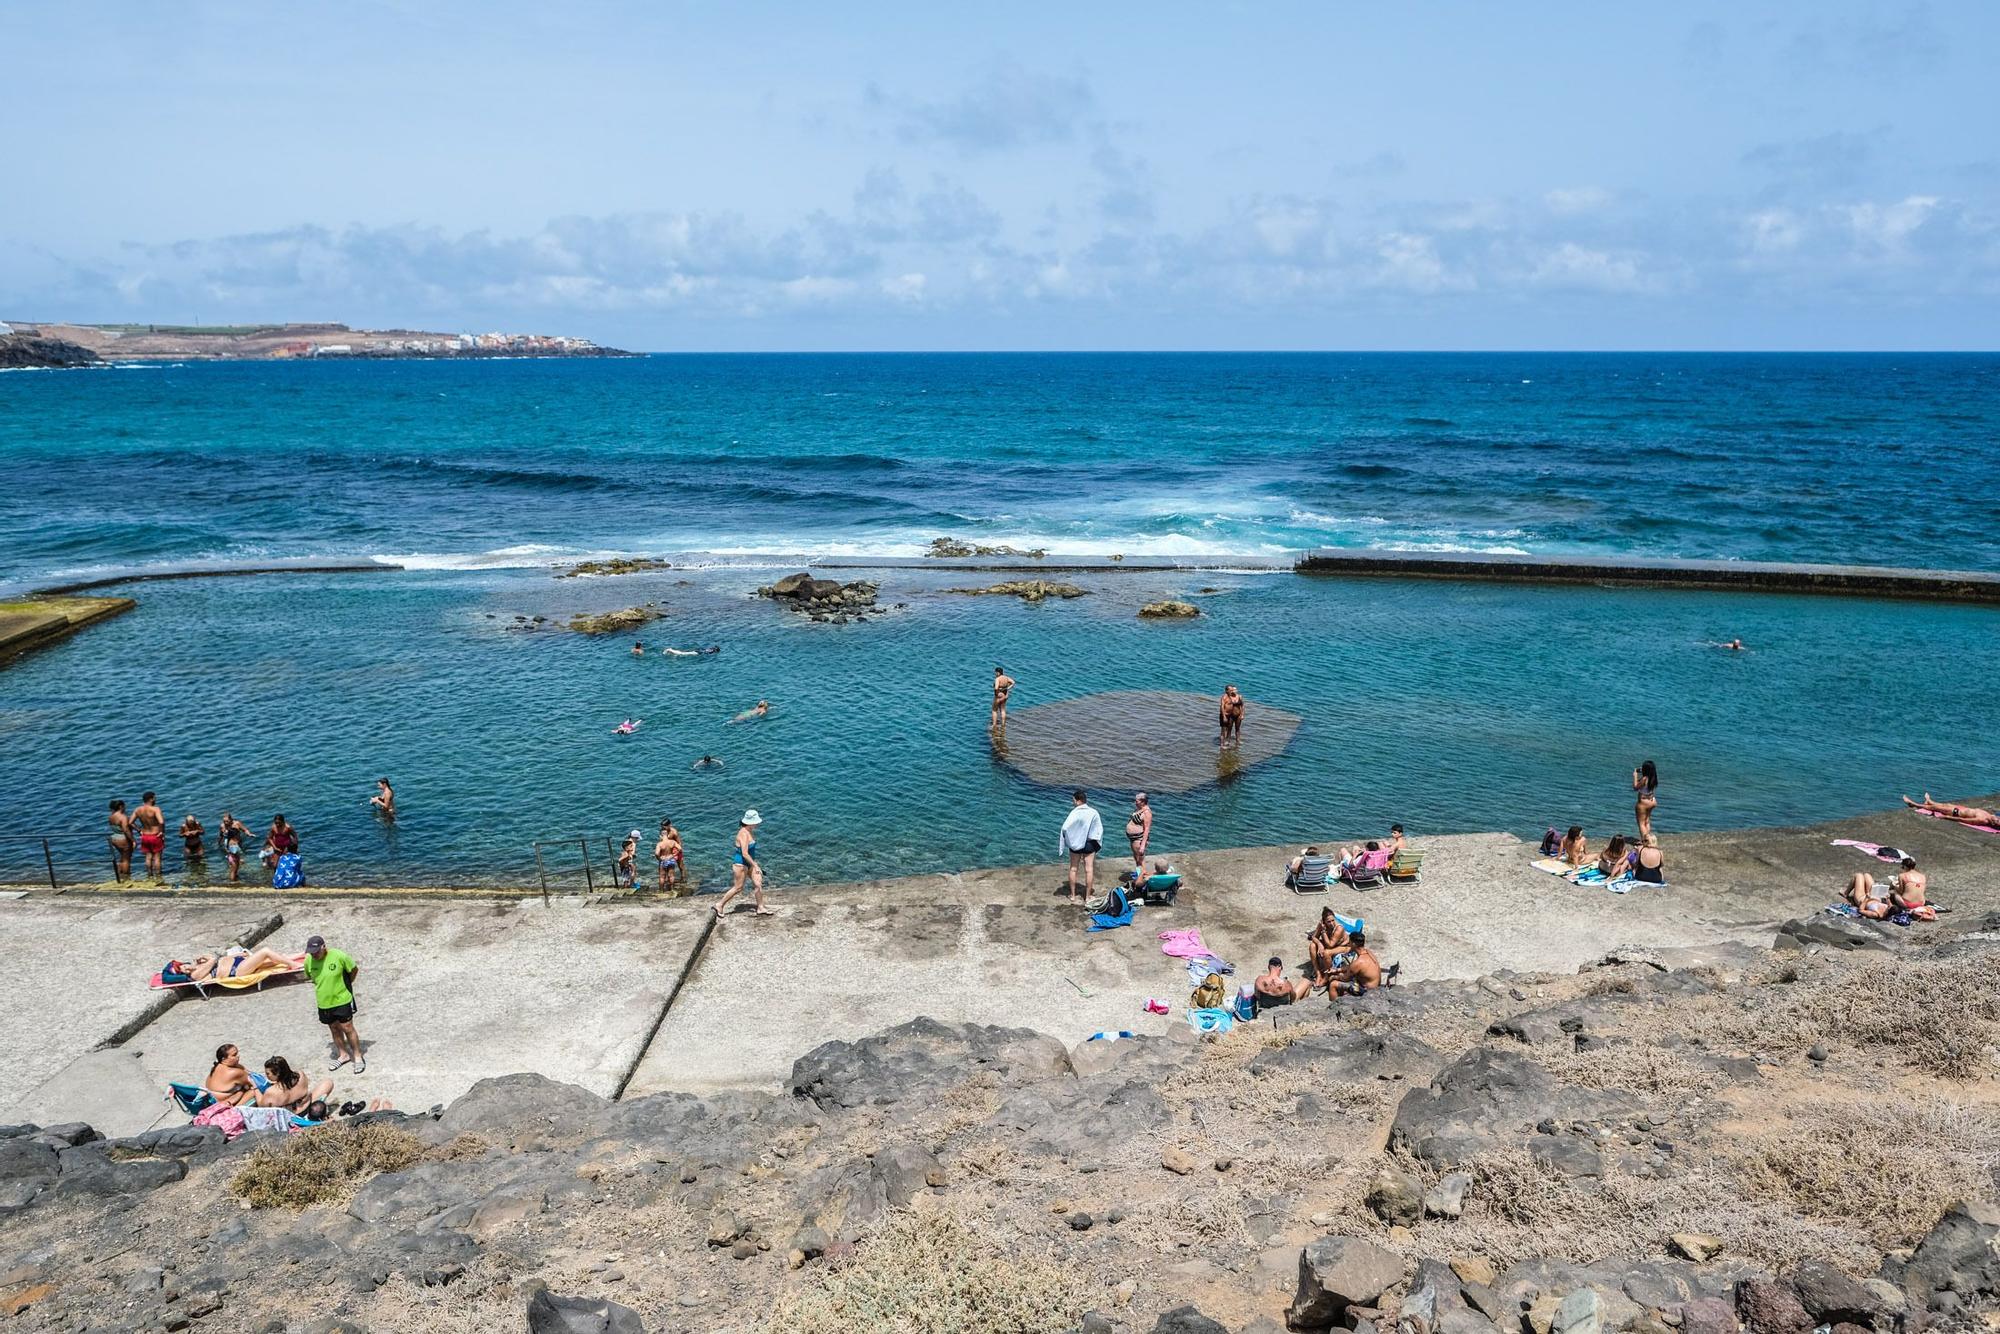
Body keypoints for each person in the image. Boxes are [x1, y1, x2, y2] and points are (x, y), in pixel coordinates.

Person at [303, 934, 364, 1074]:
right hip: (324, 1002)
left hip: (342, 999)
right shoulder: (309, 961)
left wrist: (346, 985)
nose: (314, 955)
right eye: (311, 953)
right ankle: (343, 1055)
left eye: (317, 951)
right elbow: (309, 976)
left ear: (324, 947)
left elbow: (353, 970)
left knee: (348, 1027)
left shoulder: (338, 955)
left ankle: (358, 1056)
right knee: (334, 1028)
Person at [715, 810, 771, 918]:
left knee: (758, 883)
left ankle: (760, 907)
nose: (758, 823)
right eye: (756, 821)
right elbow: (745, 853)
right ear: (750, 822)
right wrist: (755, 865)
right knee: (738, 888)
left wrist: (754, 864)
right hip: (740, 864)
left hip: (750, 863)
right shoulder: (743, 834)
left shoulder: (750, 831)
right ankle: (719, 905)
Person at [1059, 789, 1103, 905]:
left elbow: (1065, 828)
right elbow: (1099, 830)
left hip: (1076, 844)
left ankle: (1073, 896)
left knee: (1073, 868)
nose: (1073, 802)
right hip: (1089, 844)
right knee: (1089, 869)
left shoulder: (1074, 812)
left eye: (1073, 800)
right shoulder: (1094, 812)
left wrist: (1069, 839)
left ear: (1077, 800)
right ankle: (1088, 897)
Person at [1845, 857, 1927, 919]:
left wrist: (1866, 898)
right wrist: (1887, 899)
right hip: (1875, 897)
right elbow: (1890, 904)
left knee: (1859, 876)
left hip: (1862, 899)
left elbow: (1861, 910)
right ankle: (1852, 891)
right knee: (1867, 875)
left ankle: (1845, 893)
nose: (1889, 906)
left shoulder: (1877, 914)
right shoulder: (1888, 907)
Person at [258, 1055, 333, 1112]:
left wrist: (255, 1089)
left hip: (291, 1116)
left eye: (268, 1073)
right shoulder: (301, 1075)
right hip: (307, 1107)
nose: (266, 1075)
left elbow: (262, 1109)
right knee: (328, 1083)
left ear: (277, 1073)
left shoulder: (271, 1091)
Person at [181, 947, 298, 982]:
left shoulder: (198, 966)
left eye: (185, 965)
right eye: (184, 970)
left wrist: (236, 955)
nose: (187, 968)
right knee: (265, 952)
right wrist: (203, 958)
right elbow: (213, 959)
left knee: (273, 959)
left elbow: (221, 959)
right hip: (236, 971)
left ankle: (302, 955)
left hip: (238, 962)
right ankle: (293, 964)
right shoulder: (195, 975)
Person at [1306, 908, 1353, 989]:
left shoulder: (1339, 928)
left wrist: (1323, 932)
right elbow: (1314, 937)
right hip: (1330, 944)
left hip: (1343, 946)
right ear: (1324, 922)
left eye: (1333, 920)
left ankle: (1327, 976)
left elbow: (1330, 945)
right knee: (1312, 946)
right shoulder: (1322, 924)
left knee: (1327, 952)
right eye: (1329, 921)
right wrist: (1319, 944)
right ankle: (1318, 973)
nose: (1331, 923)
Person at [1903, 793, 1999, 827]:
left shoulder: (1983, 820)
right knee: (1946, 804)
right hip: (1962, 809)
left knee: (1935, 808)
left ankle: (1913, 804)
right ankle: (1930, 800)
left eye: (1997, 820)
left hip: (1957, 813)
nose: (1997, 817)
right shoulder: (1989, 815)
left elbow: (1963, 820)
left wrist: (1947, 817)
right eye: (1999, 818)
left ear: (1993, 822)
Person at [133, 791, 167, 880]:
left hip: (145, 836)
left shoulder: (138, 809)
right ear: (151, 799)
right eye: (154, 798)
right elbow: (161, 822)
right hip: (155, 836)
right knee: (157, 858)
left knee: (148, 857)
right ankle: (159, 877)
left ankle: (149, 875)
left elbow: (130, 822)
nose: (155, 799)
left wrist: (139, 830)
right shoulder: (155, 809)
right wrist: (162, 832)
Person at [218, 812, 251, 883]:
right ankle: (233, 879)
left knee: (235, 862)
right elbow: (221, 835)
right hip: (231, 845)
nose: (225, 823)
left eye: (227, 821)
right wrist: (219, 843)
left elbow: (245, 829)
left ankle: (234, 874)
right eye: (224, 821)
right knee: (236, 863)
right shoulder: (222, 826)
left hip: (237, 844)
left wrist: (249, 834)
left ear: (231, 819)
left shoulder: (237, 823)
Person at [1632, 761, 1659, 846]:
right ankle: (1648, 839)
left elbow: (1635, 787)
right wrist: (1641, 770)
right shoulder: (1653, 777)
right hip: (1652, 801)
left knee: (1641, 823)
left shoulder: (1644, 779)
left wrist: (1635, 776)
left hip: (1643, 802)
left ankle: (1645, 842)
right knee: (1647, 821)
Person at [106, 799, 133, 882]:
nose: (125, 808)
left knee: (122, 857)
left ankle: (119, 874)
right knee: (126, 859)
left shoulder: (111, 817)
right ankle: (126, 877)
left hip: (114, 838)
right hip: (123, 839)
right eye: (124, 806)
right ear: (121, 806)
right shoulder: (123, 817)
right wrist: (133, 840)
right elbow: (125, 830)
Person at [1125, 792, 1153, 869]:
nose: (1135, 802)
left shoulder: (1147, 813)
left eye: (1137, 801)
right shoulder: (1139, 809)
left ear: (1143, 802)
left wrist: (1143, 846)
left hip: (1139, 839)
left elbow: (1147, 829)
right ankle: (1139, 874)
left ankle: (1143, 877)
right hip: (1133, 838)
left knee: (1140, 860)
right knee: (1136, 858)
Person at [655, 819, 684, 891]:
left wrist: (675, 853)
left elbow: (679, 843)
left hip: (674, 849)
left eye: (664, 827)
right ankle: (668, 881)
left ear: (669, 825)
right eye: (662, 827)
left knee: (680, 865)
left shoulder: (674, 832)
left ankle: (683, 878)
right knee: (663, 869)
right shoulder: (663, 831)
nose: (663, 828)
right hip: (666, 851)